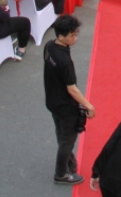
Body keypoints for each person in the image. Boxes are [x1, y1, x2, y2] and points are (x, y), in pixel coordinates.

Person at [44, 14, 94, 185]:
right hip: (66, 107)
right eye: (72, 35)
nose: (76, 38)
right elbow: (72, 89)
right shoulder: (64, 61)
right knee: (67, 140)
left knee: (61, 133)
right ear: (61, 36)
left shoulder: (49, 46)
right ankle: (61, 174)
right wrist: (88, 106)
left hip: (52, 102)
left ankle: (70, 163)